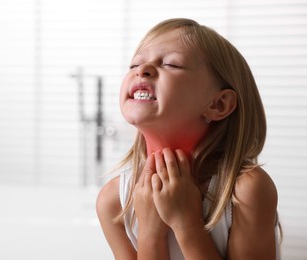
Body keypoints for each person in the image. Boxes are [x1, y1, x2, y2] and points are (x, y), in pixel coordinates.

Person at [96, 18, 281, 260]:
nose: (143, 70)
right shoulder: (113, 203)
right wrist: (150, 233)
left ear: (219, 104)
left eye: (171, 64)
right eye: (134, 65)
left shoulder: (246, 192)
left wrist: (187, 224)